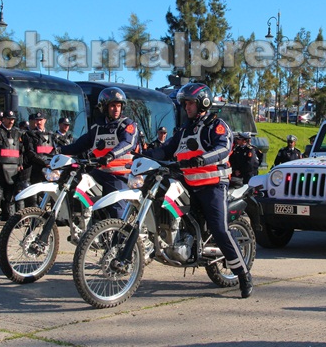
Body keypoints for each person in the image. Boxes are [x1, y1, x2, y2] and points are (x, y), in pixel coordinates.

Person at [144, 82, 253, 299]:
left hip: (212, 185)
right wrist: (145, 156)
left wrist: (202, 158)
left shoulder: (216, 125)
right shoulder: (184, 129)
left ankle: (243, 274)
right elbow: (167, 148)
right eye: (185, 104)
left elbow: (224, 147)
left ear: (203, 102)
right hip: (188, 184)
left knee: (219, 229)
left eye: (190, 103)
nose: (187, 107)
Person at [60, 87, 138, 219]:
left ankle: (122, 236)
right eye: (113, 105)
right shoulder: (96, 128)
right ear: (105, 107)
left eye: (119, 106)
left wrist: (110, 156)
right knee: (77, 184)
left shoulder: (127, 125)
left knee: (117, 211)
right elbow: (79, 145)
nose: (116, 109)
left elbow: (128, 143)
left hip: (119, 176)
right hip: (99, 173)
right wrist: (59, 150)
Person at [23, 111, 56, 207]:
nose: (39, 122)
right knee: (35, 194)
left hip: (49, 168)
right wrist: (43, 162)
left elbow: (54, 150)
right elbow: (30, 152)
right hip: (36, 168)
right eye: (37, 120)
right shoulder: (30, 134)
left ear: (45, 121)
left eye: (41, 120)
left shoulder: (50, 135)